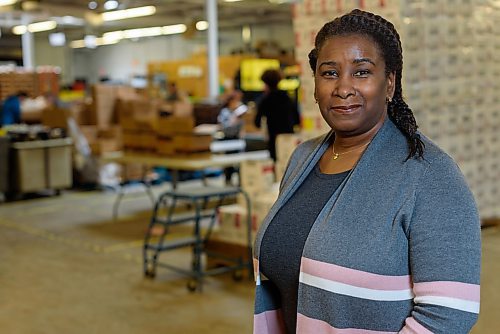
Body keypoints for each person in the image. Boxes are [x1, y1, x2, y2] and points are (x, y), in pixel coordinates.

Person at [253, 9, 480, 334]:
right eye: (329, 73)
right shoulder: (302, 158)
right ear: (315, 84)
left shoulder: (429, 174)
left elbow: (449, 313)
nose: (343, 88)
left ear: (389, 83)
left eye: (361, 72)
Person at [254, 69, 300, 161]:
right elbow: (297, 120)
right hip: (289, 138)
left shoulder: (265, 100)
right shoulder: (288, 98)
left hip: (274, 140)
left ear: (265, 83)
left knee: (277, 166)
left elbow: (257, 123)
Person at [217, 90, 248, 184]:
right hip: (228, 139)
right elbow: (224, 127)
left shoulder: (238, 112)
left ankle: (240, 181)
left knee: (239, 162)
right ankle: (228, 179)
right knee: (228, 163)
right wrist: (234, 118)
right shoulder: (225, 112)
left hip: (237, 138)